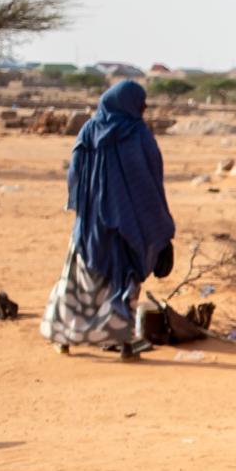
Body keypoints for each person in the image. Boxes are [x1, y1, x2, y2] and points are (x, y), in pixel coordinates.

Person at [41, 80, 176, 355]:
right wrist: (158, 222)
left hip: (91, 226)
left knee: (78, 284)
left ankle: (64, 338)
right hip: (128, 225)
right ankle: (124, 342)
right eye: (141, 102)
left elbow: (75, 174)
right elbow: (150, 180)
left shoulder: (90, 130)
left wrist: (87, 205)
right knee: (122, 282)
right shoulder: (138, 134)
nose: (145, 107)